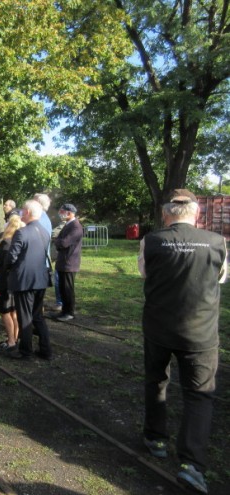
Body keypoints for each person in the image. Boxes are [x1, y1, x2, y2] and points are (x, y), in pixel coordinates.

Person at [137, 189, 226, 494]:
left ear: (166, 215)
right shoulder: (217, 242)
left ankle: (156, 438)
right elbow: (221, 277)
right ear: (196, 214)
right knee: (199, 395)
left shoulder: (151, 241)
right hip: (200, 332)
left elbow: (144, 273)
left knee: (156, 380)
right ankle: (192, 464)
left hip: (159, 327)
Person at [4, 200, 53, 360]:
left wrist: (7, 267)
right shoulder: (44, 231)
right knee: (38, 316)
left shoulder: (22, 232)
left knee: (25, 316)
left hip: (25, 281)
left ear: (28, 213)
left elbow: (11, 257)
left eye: (22, 211)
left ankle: (26, 351)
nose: (20, 213)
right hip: (41, 279)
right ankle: (46, 350)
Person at [0, 214, 24, 353]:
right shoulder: (21, 242)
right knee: (14, 311)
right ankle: (15, 338)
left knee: (5, 312)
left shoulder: (6, 242)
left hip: (4, 282)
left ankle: (11, 340)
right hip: (17, 282)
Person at [52, 204, 83, 322]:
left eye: (62, 211)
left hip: (69, 263)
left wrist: (58, 242)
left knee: (68, 289)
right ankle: (64, 311)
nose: (60, 214)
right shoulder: (68, 225)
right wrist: (58, 241)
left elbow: (63, 243)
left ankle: (69, 312)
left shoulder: (76, 227)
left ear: (69, 213)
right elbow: (58, 239)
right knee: (62, 288)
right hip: (63, 262)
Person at [50, 217, 66, 312]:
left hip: (62, 258)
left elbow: (53, 233)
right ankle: (61, 302)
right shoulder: (67, 225)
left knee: (58, 281)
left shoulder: (65, 224)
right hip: (60, 258)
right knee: (59, 281)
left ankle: (60, 303)